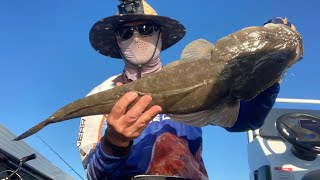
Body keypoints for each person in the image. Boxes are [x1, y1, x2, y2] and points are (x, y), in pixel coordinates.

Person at [77, 1, 293, 179]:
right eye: (125, 32)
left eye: (145, 29)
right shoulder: (100, 95)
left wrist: (271, 64)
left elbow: (245, 119)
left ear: (160, 36)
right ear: (117, 41)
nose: (136, 37)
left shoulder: (199, 78)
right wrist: (114, 142)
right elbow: (94, 174)